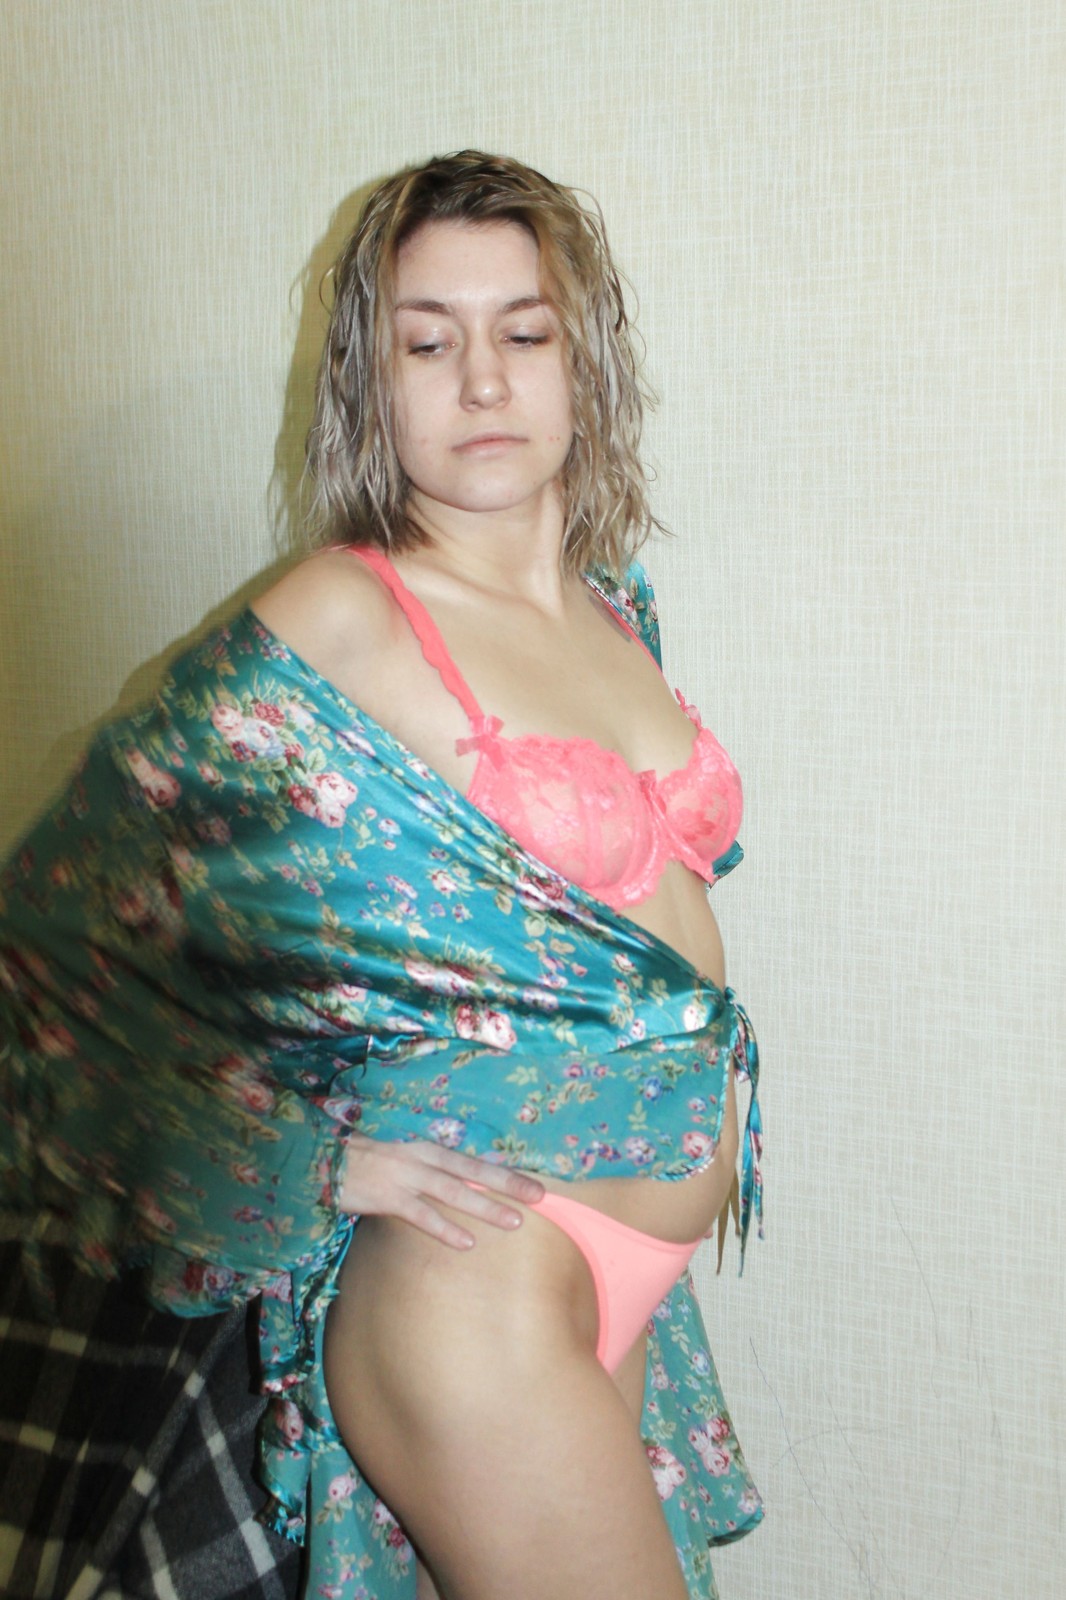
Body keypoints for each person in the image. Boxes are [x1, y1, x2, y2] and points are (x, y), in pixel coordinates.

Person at [0, 152, 763, 1600]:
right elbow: (57, 936)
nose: (482, 379)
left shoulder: (614, 609)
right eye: (427, 342)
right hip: (475, 1295)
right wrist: (307, 1154)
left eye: (523, 331)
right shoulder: (340, 618)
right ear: (371, 377)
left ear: (582, 363)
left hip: (620, 1269)